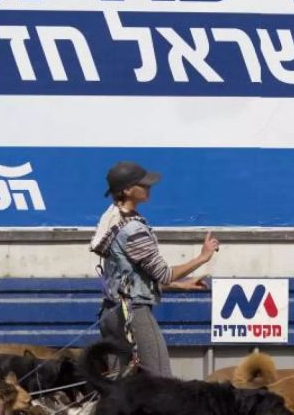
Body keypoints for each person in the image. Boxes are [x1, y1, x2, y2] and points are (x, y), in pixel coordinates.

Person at [90, 161, 220, 377]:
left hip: (110, 312)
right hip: (134, 314)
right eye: (143, 184)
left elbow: (132, 278)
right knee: (161, 379)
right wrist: (202, 257)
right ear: (127, 190)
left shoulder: (111, 218)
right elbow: (164, 273)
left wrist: (181, 286)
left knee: (117, 384)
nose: (149, 187)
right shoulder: (134, 230)